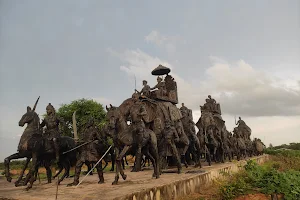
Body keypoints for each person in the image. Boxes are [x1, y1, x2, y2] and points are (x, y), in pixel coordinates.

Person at [67, 118, 105, 186]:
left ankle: (101, 179)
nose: (88, 123)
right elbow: (82, 139)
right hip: (84, 150)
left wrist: (95, 141)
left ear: (92, 123)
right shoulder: (84, 131)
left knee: (98, 164)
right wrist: (79, 142)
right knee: (78, 164)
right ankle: (76, 181)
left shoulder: (95, 130)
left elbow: (100, 139)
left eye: (89, 122)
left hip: (92, 149)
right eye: (88, 122)